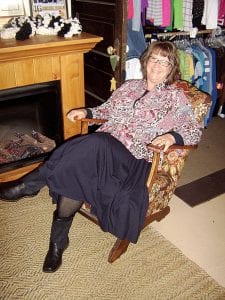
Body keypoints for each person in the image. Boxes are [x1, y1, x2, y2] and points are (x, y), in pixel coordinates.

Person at [0, 41, 202, 273]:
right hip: (103, 152)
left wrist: (171, 136)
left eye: (164, 62)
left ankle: (31, 183)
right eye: (154, 59)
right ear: (146, 61)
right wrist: (85, 112)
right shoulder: (129, 87)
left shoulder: (174, 97)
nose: (157, 65)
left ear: (171, 68)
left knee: (96, 143)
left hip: (134, 159)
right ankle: (57, 242)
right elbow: (106, 110)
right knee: (79, 169)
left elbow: (193, 130)